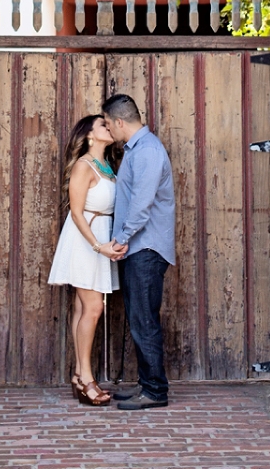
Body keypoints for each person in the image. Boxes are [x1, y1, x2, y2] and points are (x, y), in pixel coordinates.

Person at [102, 94, 175, 410]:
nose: (108, 129)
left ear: (119, 121)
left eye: (107, 123)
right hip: (139, 247)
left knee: (144, 319)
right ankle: (147, 384)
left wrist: (120, 239)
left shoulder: (147, 151)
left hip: (146, 248)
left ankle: (156, 392)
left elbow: (141, 205)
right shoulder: (137, 150)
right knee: (139, 317)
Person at [48, 115, 126, 405]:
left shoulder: (107, 166)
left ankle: (79, 376)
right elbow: (77, 211)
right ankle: (86, 377)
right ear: (91, 136)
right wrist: (97, 246)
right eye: (103, 126)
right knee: (93, 308)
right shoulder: (84, 166)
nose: (109, 128)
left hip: (100, 239)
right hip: (85, 241)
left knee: (83, 306)